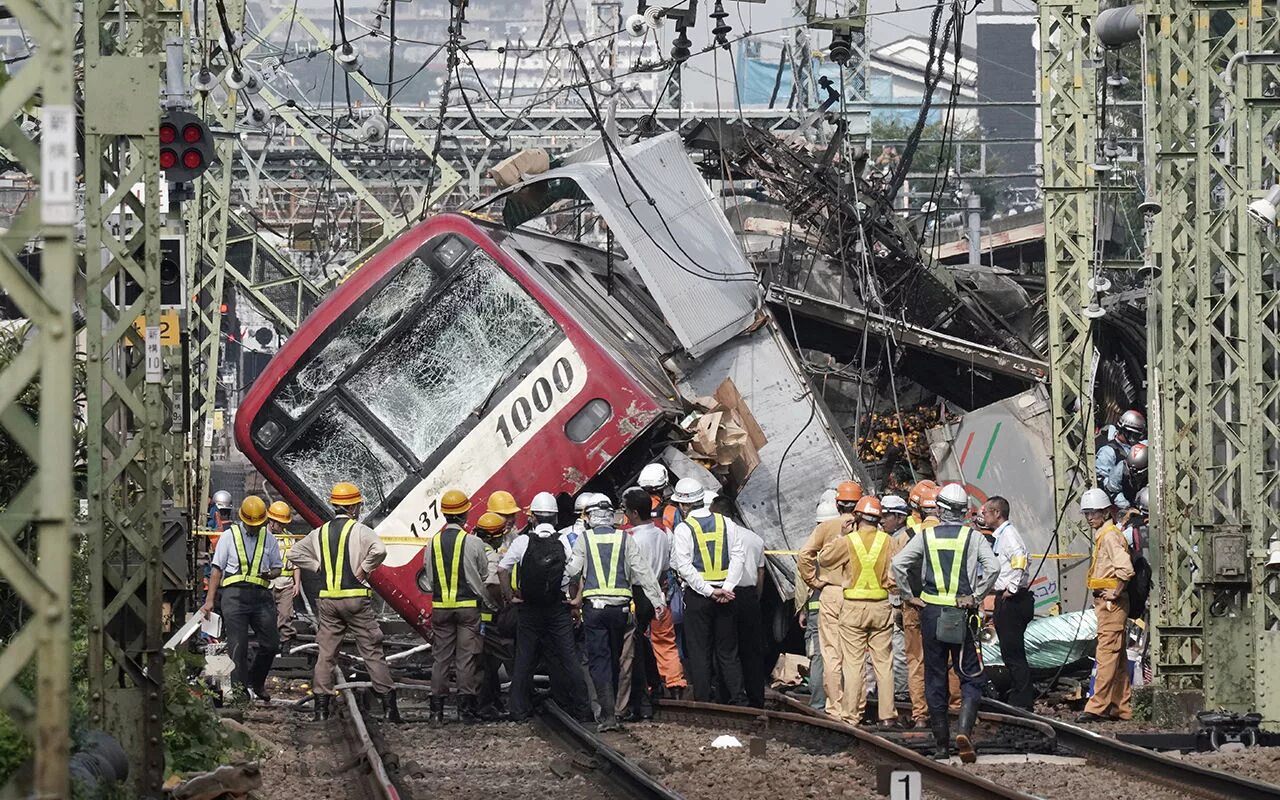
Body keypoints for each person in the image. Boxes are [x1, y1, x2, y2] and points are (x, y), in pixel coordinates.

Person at [892, 482, 998, 762]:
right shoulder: (973, 537)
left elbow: (898, 564)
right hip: (960, 614)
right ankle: (964, 730)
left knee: (935, 675)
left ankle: (941, 744)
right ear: (964, 511)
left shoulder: (925, 536)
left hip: (931, 612)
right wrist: (975, 596)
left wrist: (909, 595)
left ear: (940, 509)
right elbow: (994, 568)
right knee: (970, 676)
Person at [287, 482, 399, 723]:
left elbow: (293, 554)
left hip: (328, 600)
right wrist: (364, 569)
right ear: (354, 507)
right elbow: (379, 550)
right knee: (371, 650)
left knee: (326, 654)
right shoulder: (361, 530)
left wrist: (317, 567)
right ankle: (389, 707)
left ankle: (321, 709)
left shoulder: (320, 532)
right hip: (355, 599)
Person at [569, 494, 666, 731]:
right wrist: (658, 601)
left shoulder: (585, 539)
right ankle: (615, 711)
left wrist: (567, 596)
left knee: (599, 661)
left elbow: (572, 570)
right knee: (615, 659)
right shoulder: (625, 538)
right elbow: (642, 572)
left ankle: (607, 714)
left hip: (594, 609)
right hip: (620, 610)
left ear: (589, 517)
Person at [499, 491, 591, 722]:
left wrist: (510, 597)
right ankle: (582, 709)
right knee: (569, 658)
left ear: (533, 518)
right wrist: (575, 602)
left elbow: (502, 569)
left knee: (524, 658)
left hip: (529, 609)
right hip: (557, 608)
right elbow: (575, 573)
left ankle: (518, 710)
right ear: (556, 518)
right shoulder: (563, 541)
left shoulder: (523, 541)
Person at [819, 495, 900, 727]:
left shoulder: (848, 541)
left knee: (853, 664)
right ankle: (887, 716)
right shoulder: (889, 541)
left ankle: (851, 715)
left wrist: (840, 536)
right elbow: (894, 577)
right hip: (881, 607)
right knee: (884, 663)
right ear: (878, 518)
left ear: (857, 517)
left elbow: (824, 559)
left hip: (853, 609)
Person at [418, 489, 495, 725]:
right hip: (468, 608)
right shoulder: (473, 543)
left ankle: (436, 712)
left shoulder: (432, 543)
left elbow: (428, 578)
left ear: (444, 514)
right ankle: (465, 711)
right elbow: (483, 575)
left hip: (441, 608)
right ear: (465, 513)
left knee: (441, 658)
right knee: (466, 658)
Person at [669, 478, 747, 704]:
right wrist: (727, 587)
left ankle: (704, 699)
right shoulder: (726, 523)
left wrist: (708, 590)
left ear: (684, 505)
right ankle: (736, 697)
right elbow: (738, 556)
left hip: (698, 596)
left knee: (699, 649)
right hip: (727, 595)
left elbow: (683, 565)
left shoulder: (684, 529)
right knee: (727, 650)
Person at [201, 496, 283, 701]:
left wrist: (270, 574)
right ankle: (239, 693)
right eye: (251, 524)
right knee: (238, 645)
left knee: (271, 644)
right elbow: (217, 569)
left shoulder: (269, 538)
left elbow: (277, 568)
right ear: (243, 520)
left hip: (261, 596)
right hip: (234, 595)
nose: (254, 528)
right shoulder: (229, 536)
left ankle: (256, 682)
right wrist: (210, 600)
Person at [798, 480, 861, 716]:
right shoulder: (863, 527)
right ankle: (852, 707)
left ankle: (828, 706)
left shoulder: (825, 529)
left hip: (828, 596)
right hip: (857, 596)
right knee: (854, 654)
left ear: (838, 503)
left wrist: (813, 582)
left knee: (827, 654)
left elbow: (805, 556)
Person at [1077, 487, 1135, 723]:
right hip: (1106, 603)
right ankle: (1121, 707)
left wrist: (1116, 592)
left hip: (1111, 604)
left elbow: (1125, 569)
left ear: (1105, 512)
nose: (1090, 518)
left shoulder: (1109, 536)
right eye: (1087, 514)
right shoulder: (1105, 534)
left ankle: (1096, 706)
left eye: (1094, 513)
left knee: (1106, 654)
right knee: (1117, 656)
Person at [710, 494, 767, 708]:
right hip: (750, 595)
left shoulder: (720, 538)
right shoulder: (755, 538)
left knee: (726, 649)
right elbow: (760, 572)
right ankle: (756, 697)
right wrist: (756, 597)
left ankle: (731, 695)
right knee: (752, 649)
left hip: (725, 595)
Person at [983, 496, 1034, 710]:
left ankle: (1023, 699)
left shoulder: (1009, 536)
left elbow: (1020, 559)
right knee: (1009, 651)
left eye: (986, 512)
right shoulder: (1002, 535)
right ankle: (1018, 692)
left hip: (1011, 600)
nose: (983, 516)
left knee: (1013, 652)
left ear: (997, 513)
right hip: (1007, 597)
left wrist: (1011, 588)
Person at [894, 484, 935, 727]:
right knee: (947, 660)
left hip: (913, 606)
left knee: (916, 660)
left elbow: (895, 570)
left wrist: (906, 597)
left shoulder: (906, 537)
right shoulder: (954, 533)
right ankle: (952, 709)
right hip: (945, 606)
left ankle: (920, 714)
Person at [472, 511, 516, 720]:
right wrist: (501, 604)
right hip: (486, 617)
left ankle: (492, 701)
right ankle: (486, 704)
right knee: (496, 658)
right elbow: (491, 584)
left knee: (485, 661)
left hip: (471, 613)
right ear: (494, 535)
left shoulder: (470, 547)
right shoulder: (489, 553)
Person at [799, 499, 840, 710]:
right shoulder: (845, 543)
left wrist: (803, 609)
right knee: (841, 656)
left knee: (818, 657)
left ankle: (818, 704)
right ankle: (839, 704)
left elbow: (803, 580)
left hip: (817, 609)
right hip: (841, 607)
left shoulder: (813, 547)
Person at [266, 501, 301, 656]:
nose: (281, 526)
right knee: (266, 616)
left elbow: (296, 563)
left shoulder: (289, 539)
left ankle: (286, 643)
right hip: (267, 584)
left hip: (285, 584)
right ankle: (268, 644)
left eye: (283, 523)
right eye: (279, 523)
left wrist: (296, 583)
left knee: (286, 615)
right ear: (271, 521)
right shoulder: (262, 538)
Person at [1096, 409, 1146, 487]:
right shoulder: (1108, 452)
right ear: (1124, 431)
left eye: (1138, 435)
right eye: (1134, 435)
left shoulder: (1139, 447)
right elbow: (1103, 482)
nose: (1136, 438)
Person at [1107, 443, 1148, 511]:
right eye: (1130, 470)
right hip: (1125, 505)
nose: (1133, 474)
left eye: (1137, 472)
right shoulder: (1120, 469)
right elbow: (1112, 491)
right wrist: (1127, 506)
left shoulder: (1154, 473)